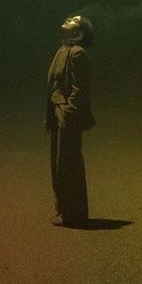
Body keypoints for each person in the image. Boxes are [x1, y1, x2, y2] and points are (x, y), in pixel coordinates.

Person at [45, 14, 96, 227]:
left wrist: (68, 112)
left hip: (67, 115)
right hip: (58, 113)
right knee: (58, 165)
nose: (68, 19)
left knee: (69, 164)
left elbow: (80, 88)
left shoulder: (77, 54)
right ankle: (65, 212)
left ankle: (75, 214)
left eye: (74, 20)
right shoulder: (63, 51)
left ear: (79, 32)